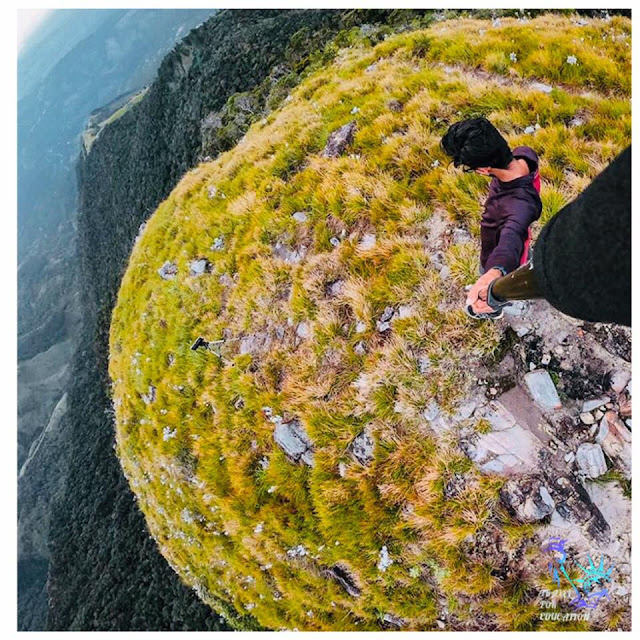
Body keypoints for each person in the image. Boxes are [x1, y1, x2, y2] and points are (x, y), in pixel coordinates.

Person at [440, 117, 542, 318]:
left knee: (499, 284)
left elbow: (509, 242)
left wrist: (493, 273)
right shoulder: (524, 154)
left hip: (497, 248)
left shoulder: (519, 207)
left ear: (484, 170)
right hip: (510, 233)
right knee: (522, 250)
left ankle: (494, 309)